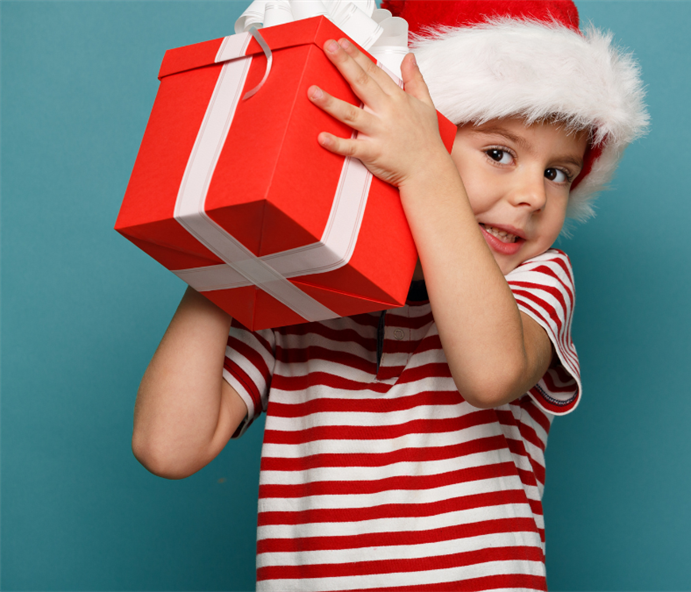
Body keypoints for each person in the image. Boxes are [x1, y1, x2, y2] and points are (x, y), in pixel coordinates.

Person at [131, 0, 647, 588]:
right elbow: (167, 447)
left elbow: (491, 373)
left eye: (559, 173)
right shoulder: (301, 290)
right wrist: (235, 241)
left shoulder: (538, 279)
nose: (533, 193)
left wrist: (427, 170)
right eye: (499, 153)